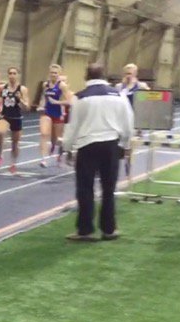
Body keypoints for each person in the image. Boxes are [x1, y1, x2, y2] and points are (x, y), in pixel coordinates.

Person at [61, 63, 134, 242]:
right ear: (104, 75)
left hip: (87, 146)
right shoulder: (119, 95)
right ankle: (109, 229)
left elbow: (73, 125)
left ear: (86, 76)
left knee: (85, 188)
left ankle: (85, 230)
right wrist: (125, 144)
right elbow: (128, 122)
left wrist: (68, 148)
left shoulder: (80, 97)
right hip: (111, 145)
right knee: (109, 189)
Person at [37, 64, 72, 167]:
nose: (53, 74)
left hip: (58, 113)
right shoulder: (45, 85)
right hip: (47, 112)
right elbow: (43, 97)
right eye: (52, 72)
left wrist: (56, 102)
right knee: (44, 134)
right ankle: (43, 159)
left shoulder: (62, 86)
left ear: (59, 74)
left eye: (55, 73)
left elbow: (69, 101)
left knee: (56, 139)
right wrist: (41, 105)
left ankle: (61, 152)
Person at [0, 67, 30, 174]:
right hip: (5, 116)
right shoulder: (3, 88)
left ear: (17, 75)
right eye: (10, 73)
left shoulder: (22, 89)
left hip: (16, 117)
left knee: (15, 143)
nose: (12, 75)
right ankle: (0, 153)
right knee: (0, 132)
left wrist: (20, 99)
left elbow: (27, 107)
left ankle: (13, 163)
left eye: (14, 73)